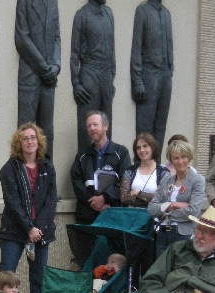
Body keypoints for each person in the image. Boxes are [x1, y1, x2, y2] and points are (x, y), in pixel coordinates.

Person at [0, 122, 57, 293]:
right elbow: (12, 202)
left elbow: (51, 199)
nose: (29, 141)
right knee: (6, 279)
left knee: (39, 279)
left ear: (38, 141)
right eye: (25, 138)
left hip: (41, 232)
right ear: (19, 143)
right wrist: (29, 228)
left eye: (33, 137)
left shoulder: (47, 166)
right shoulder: (9, 169)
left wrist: (37, 227)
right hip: (14, 230)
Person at [69, 111, 131, 267]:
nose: (91, 128)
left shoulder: (121, 153)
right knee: (88, 263)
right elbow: (76, 181)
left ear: (105, 126)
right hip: (87, 219)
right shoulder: (82, 155)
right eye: (89, 126)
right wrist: (93, 202)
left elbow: (125, 181)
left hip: (112, 217)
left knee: (112, 264)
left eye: (95, 124)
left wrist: (104, 198)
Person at [15, 0, 61, 159]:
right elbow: (22, 38)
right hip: (30, 76)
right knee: (25, 133)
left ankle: (46, 178)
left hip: (49, 78)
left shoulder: (53, 2)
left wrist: (56, 65)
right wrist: (43, 68)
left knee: (47, 133)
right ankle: (23, 178)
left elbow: (56, 38)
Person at [71, 0, 116, 153]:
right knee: (87, 127)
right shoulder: (82, 15)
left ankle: (107, 168)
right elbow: (74, 53)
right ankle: (86, 169)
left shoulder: (109, 13)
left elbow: (112, 49)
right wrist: (75, 83)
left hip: (106, 74)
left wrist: (111, 78)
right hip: (89, 72)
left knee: (106, 125)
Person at [131, 0, 174, 160]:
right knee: (145, 128)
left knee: (160, 125)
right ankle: (141, 165)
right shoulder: (143, 11)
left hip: (165, 75)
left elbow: (169, 45)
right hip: (149, 73)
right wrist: (137, 81)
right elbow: (136, 48)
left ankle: (156, 166)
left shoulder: (166, 14)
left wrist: (170, 71)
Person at [148, 141, 205, 258]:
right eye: (176, 158)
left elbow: (193, 211)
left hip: (184, 234)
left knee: (182, 272)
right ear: (171, 160)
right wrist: (173, 205)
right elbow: (151, 209)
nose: (180, 161)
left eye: (183, 157)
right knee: (162, 272)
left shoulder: (197, 180)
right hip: (163, 234)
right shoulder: (166, 181)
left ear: (189, 157)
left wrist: (165, 212)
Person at [121, 133, 170, 208]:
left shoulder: (164, 172)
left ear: (152, 148)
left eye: (145, 146)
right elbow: (124, 197)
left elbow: (163, 198)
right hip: (132, 215)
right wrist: (150, 198)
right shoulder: (130, 171)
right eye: (138, 148)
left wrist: (138, 193)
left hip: (154, 216)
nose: (142, 150)